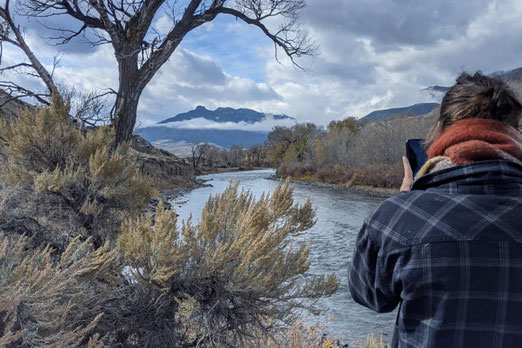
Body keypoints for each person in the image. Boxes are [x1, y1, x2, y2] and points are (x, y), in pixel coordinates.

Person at [348, 72, 522, 348]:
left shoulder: (394, 217)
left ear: (442, 132)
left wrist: (406, 199)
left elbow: (368, 295)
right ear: (514, 132)